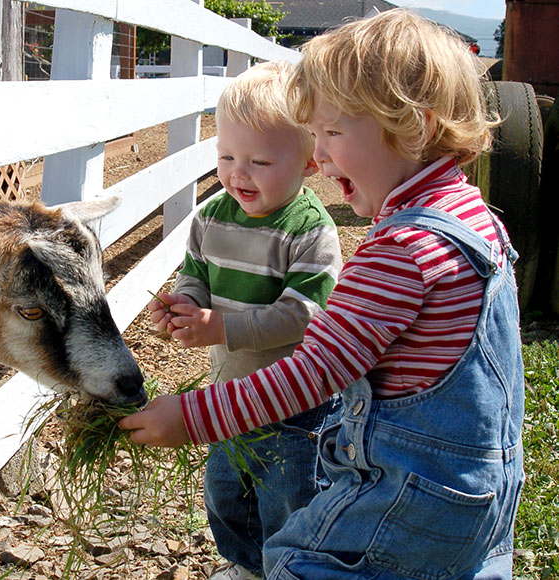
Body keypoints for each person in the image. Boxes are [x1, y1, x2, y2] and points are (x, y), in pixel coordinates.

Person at [121, 10, 525, 579]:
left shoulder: (402, 253)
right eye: (315, 134)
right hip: (484, 487)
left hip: (413, 493)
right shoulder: (474, 219)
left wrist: (192, 416)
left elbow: (311, 373)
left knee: (296, 561)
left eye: (333, 132)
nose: (321, 155)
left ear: (415, 125)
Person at [144, 60, 342, 580]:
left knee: (289, 498)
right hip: (230, 393)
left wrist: (222, 328)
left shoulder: (309, 231)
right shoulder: (212, 217)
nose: (238, 172)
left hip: (296, 406)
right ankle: (246, 565)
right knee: (228, 492)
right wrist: (183, 304)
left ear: (309, 164)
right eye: (227, 155)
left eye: (258, 160)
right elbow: (195, 274)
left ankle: (289, 568)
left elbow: (303, 316)